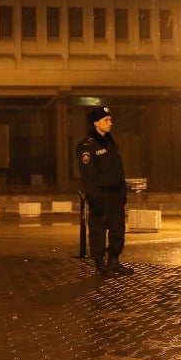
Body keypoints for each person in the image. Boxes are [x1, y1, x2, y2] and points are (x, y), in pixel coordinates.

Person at [77, 106, 134, 277]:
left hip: (116, 195)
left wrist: (122, 192)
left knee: (118, 229)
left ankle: (114, 261)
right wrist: (95, 196)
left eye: (110, 119)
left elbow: (119, 170)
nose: (111, 123)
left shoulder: (111, 143)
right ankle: (100, 263)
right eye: (106, 120)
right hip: (101, 195)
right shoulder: (87, 146)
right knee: (98, 230)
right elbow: (89, 175)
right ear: (96, 123)